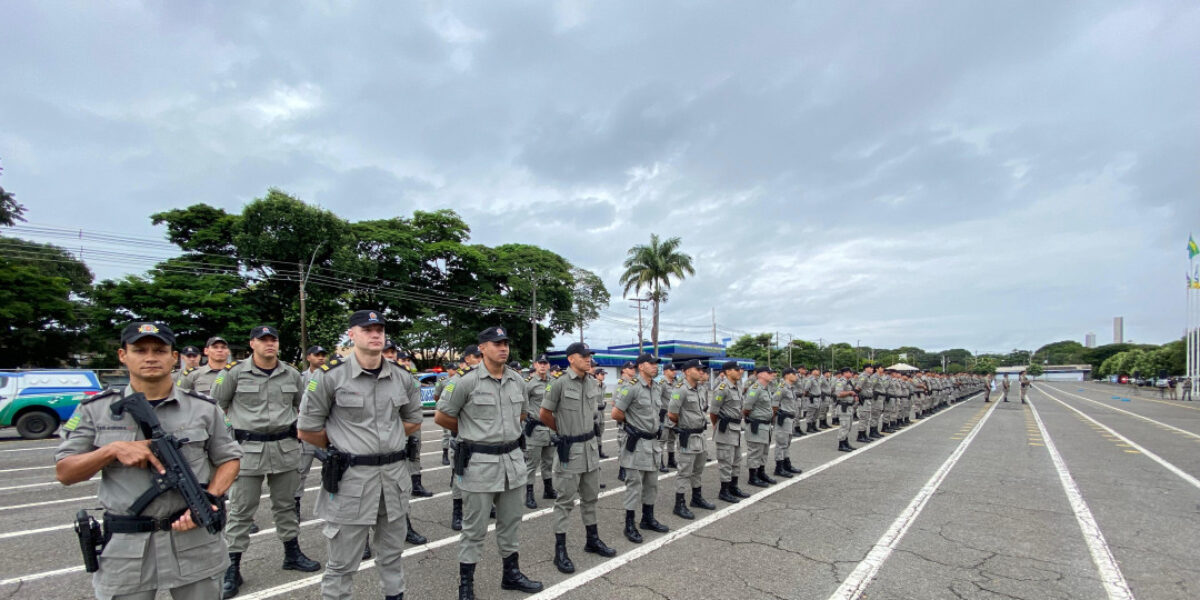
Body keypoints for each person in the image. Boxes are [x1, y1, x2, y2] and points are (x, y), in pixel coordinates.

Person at [56, 321, 242, 600]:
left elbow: (229, 458)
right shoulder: (95, 410)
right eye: (140, 350)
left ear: (173, 356)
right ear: (123, 355)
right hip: (127, 549)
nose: (151, 357)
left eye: (159, 350)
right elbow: (65, 472)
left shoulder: (204, 408)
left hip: (193, 536)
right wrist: (111, 450)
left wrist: (210, 498)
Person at [298, 310, 424, 600]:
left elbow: (413, 420)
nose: (376, 334)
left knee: (392, 557)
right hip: (351, 481)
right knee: (342, 564)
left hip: (393, 479)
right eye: (367, 329)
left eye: (380, 328)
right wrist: (346, 444)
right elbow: (307, 429)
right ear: (351, 334)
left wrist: (384, 443)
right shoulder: (329, 377)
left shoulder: (402, 378)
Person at [210, 326, 321, 598]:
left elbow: (301, 406)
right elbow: (214, 408)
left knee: (286, 506)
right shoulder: (233, 373)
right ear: (252, 344)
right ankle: (232, 568)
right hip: (247, 451)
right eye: (263, 340)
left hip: (284, 449)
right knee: (240, 511)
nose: (269, 344)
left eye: (273, 339)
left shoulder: (292, 374)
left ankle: (292, 554)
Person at [435, 326, 543, 600]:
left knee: (511, 524)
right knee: (474, 529)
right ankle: (466, 584)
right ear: (482, 348)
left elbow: (521, 415)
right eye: (496, 343)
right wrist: (474, 434)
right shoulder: (465, 382)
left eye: (505, 343)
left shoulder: (518, 381)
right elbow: (443, 417)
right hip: (479, 465)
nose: (503, 347)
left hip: (512, 462)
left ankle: (511, 575)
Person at [539, 342, 617, 573]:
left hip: (590, 448)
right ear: (571, 358)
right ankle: (560, 551)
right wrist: (563, 432)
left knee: (591, 497)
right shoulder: (559, 384)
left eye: (589, 356)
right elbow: (544, 414)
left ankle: (592, 540)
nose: (588, 359)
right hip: (569, 450)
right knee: (564, 501)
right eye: (584, 356)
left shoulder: (592, 382)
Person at [612, 353, 670, 542]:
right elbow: (616, 413)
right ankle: (629, 524)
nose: (655, 366)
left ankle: (648, 518)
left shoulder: (656, 387)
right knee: (634, 485)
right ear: (641, 366)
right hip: (636, 443)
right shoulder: (631, 387)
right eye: (651, 363)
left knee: (651, 484)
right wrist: (632, 426)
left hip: (652, 443)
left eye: (656, 364)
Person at [436, 346, 483, 531]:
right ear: (468, 359)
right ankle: (457, 513)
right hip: (462, 439)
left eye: (482, 357)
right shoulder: (457, 381)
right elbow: (442, 412)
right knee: (459, 476)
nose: (480, 360)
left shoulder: (488, 380)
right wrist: (465, 429)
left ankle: (486, 507)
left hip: (483, 441)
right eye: (477, 357)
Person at [666, 359, 716, 519]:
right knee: (684, 471)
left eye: (702, 369)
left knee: (698, 470)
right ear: (687, 371)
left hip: (700, 435)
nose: (701, 372)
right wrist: (684, 426)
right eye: (698, 369)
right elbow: (672, 414)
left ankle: (696, 497)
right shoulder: (680, 389)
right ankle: (679, 504)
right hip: (688, 435)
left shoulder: (700, 389)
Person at [295, 345, 328, 520]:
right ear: (308, 357)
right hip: (308, 431)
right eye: (317, 355)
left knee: (332, 469)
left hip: (327, 431)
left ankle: (330, 504)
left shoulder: (332, 376)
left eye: (323, 355)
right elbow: (295, 404)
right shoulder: (300, 379)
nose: (321, 358)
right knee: (301, 470)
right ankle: (295, 505)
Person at [710, 360, 750, 503]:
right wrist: (717, 426)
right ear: (727, 371)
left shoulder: (737, 386)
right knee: (726, 461)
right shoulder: (722, 388)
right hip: (726, 428)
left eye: (739, 369)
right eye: (736, 369)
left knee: (736, 459)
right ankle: (724, 490)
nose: (739, 371)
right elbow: (713, 412)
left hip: (736, 428)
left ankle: (734, 487)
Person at [523, 355, 557, 509]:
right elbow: (521, 406)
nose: (543, 366)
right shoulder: (529, 384)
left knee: (548, 461)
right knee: (532, 463)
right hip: (535, 429)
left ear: (549, 365)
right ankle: (529, 494)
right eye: (540, 363)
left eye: (545, 363)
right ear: (535, 365)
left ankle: (548, 489)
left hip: (550, 429)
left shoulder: (554, 382)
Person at [743, 366, 777, 487]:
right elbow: (746, 407)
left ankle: (761, 473)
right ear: (761, 375)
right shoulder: (755, 388)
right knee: (755, 451)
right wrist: (751, 418)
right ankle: (753, 477)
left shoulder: (766, 388)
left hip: (766, 425)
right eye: (769, 372)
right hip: (757, 424)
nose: (772, 374)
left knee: (764, 451)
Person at [773, 368, 804, 477]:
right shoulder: (782, 387)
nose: (796, 376)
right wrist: (778, 415)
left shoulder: (790, 388)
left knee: (787, 442)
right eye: (794, 374)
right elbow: (774, 403)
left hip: (790, 419)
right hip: (784, 418)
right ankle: (779, 467)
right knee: (781, 443)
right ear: (787, 375)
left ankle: (787, 464)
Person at [613, 361, 637, 481]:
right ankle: (622, 470)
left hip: (633, 421)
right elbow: (615, 404)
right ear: (624, 370)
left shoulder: (633, 384)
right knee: (623, 445)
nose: (633, 370)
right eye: (631, 368)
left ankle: (628, 468)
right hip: (625, 421)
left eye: (634, 368)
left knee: (630, 446)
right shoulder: (621, 384)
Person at [655, 363, 679, 472]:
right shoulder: (661, 383)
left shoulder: (676, 383)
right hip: (663, 416)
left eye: (675, 370)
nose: (674, 372)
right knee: (661, 440)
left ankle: (671, 460)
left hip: (673, 416)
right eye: (671, 370)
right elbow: (656, 399)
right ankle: (659, 462)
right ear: (665, 371)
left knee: (672, 439)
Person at [834, 367, 858, 452]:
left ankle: (846, 442)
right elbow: (838, 393)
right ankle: (841, 444)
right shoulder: (841, 381)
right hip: (843, 407)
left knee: (848, 426)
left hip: (849, 407)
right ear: (845, 373)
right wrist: (850, 393)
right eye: (850, 372)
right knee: (844, 426)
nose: (851, 374)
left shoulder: (849, 382)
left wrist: (854, 396)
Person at [593, 367, 609, 458]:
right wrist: (597, 406)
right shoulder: (593, 385)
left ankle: (599, 451)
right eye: (602, 374)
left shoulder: (604, 385)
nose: (603, 376)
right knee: (596, 432)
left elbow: (603, 398)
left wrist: (604, 403)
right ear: (596, 375)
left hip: (602, 412)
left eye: (604, 375)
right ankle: (596, 452)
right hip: (595, 411)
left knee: (601, 431)